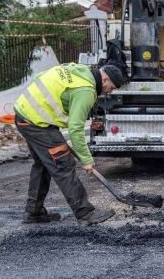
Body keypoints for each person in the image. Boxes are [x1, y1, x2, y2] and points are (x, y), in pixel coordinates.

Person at [14, 62, 125, 226]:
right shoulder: (86, 90)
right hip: (37, 123)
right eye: (112, 87)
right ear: (106, 79)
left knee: (44, 163)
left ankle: (34, 212)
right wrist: (86, 159)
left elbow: (39, 77)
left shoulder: (79, 70)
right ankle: (85, 213)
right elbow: (75, 128)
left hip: (24, 115)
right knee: (63, 164)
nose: (110, 92)